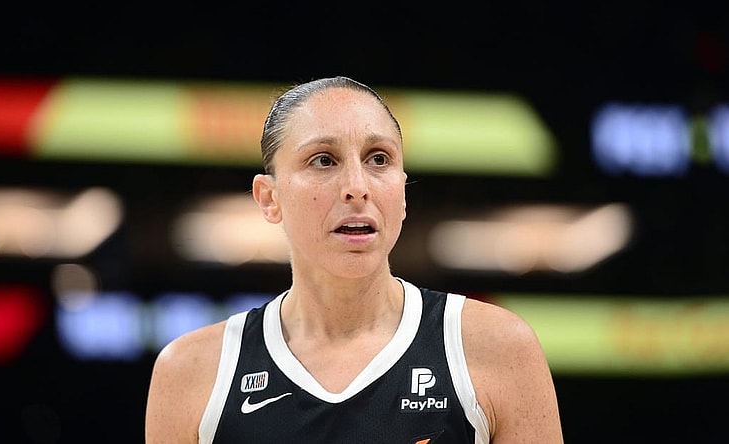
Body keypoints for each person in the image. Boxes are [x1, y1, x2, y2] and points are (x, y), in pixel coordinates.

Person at [145, 76, 564, 443]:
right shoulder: (191, 372)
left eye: (378, 159)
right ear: (269, 198)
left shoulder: (496, 347)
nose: (356, 187)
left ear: (402, 191)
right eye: (323, 160)